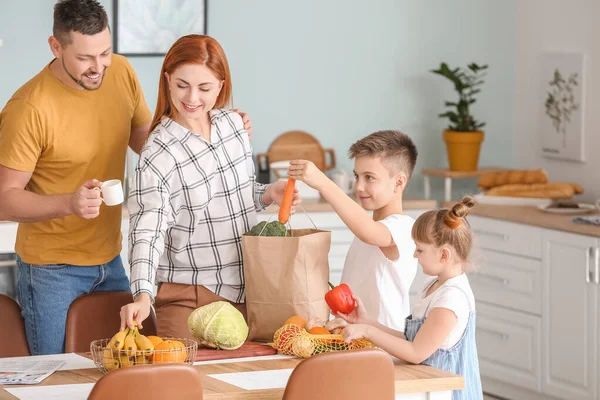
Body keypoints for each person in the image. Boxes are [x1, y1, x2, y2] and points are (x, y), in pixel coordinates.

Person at [0, 0, 253, 355]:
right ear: (56, 47)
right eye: (86, 58)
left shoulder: (119, 72)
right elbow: (4, 199)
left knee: (120, 368)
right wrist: (68, 203)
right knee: (57, 375)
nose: (98, 66)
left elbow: (149, 145)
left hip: (111, 259)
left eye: (104, 52)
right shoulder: (29, 108)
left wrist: (219, 136)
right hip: (51, 270)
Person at [119, 34, 299, 339]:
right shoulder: (158, 151)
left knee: (248, 383)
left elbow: (237, 196)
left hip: (245, 292)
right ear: (167, 80)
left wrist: (269, 194)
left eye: (204, 88)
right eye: (181, 85)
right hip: (188, 296)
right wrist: (143, 295)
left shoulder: (233, 126)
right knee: (179, 384)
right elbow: (147, 230)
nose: (192, 98)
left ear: (221, 85)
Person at [337, 196, 483, 400]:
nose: (414, 255)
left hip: (446, 393)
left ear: (444, 255)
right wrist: (366, 322)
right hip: (426, 386)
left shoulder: (451, 300)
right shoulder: (433, 285)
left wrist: (367, 331)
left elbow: (416, 352)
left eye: (420, 249)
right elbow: (411, 339)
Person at [287, 130, 418, 331]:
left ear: (398, 182)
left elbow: (369, 232)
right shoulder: (370, 227)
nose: (359, 186)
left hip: (385, 347)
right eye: (357, 176)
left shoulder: (403, 226)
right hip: (357, 339)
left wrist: (323, 183)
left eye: (370, 177)